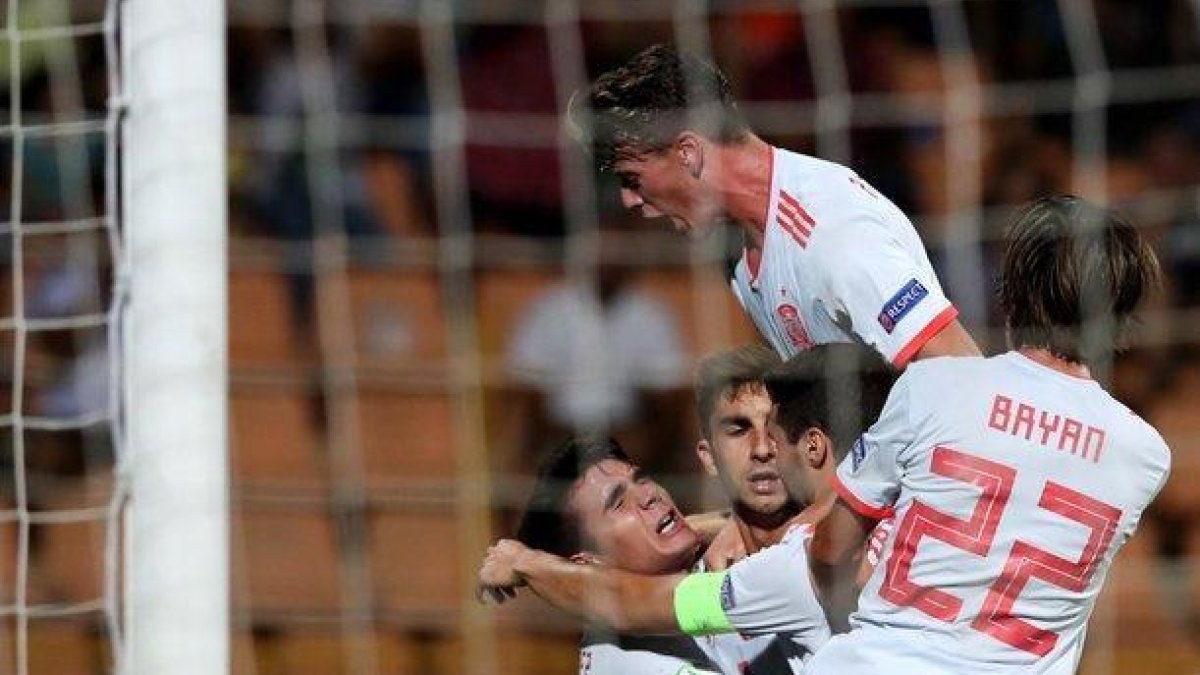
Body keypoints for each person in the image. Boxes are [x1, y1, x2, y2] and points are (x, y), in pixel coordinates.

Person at [807, 195, 1172, 674]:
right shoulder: (1145, 455)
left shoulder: (933, 386)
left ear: (1010, 296)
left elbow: (832, 549)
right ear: (1120, 320)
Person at [478, 344, 898, 673]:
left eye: (776, 428)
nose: (764, 448)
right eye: (738, 429)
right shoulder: (621, 657)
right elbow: (629, 600)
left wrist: (526, 563)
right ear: (708, 457)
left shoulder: (805, 553)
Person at [569, 44, 980, 367]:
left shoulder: (829, 231)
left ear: (689, 153)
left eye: (630, 179)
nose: (628, 199)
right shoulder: (747, 262)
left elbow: (961, 370)